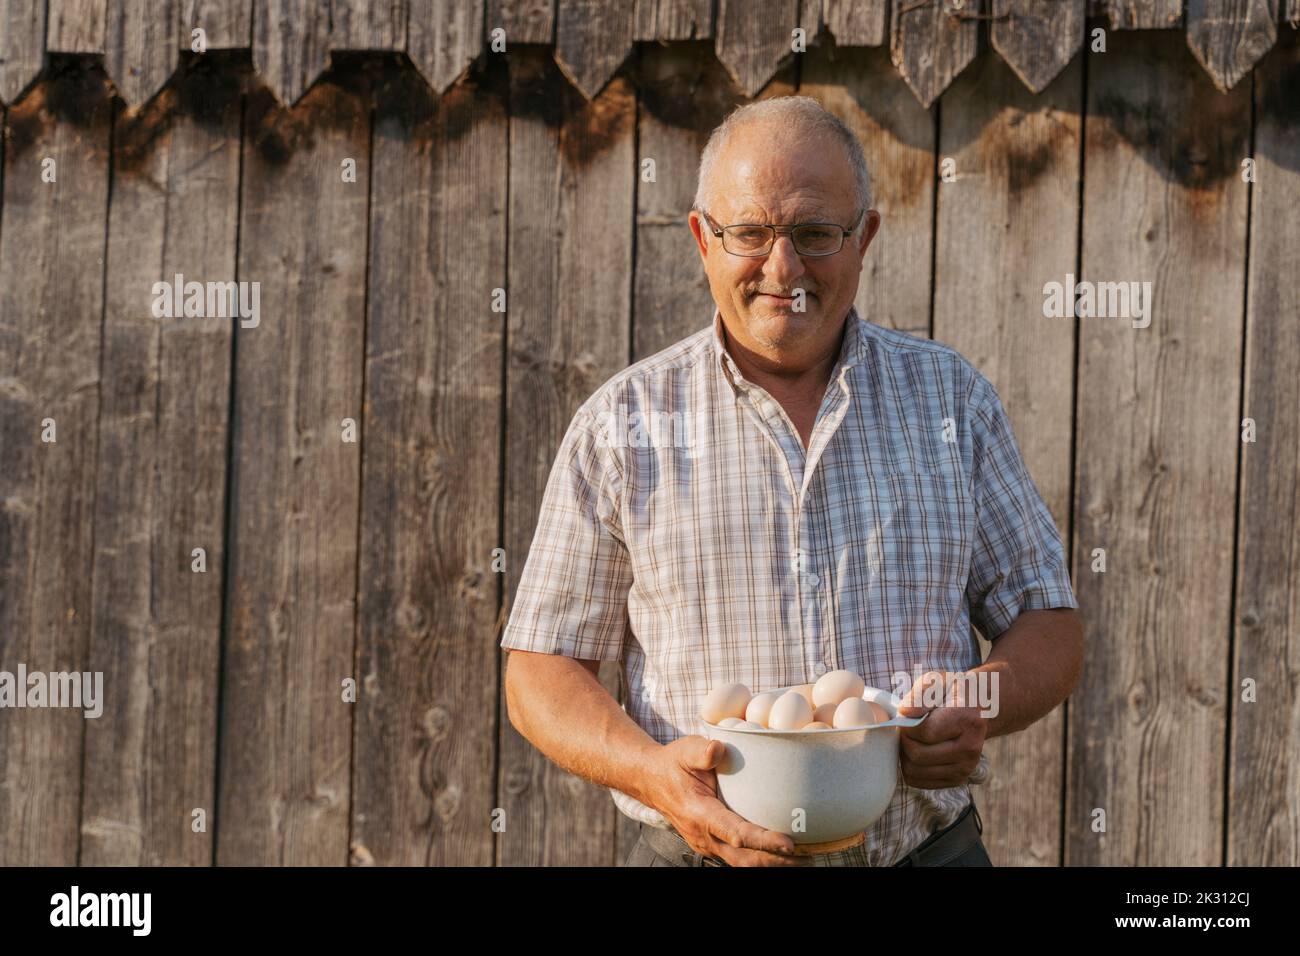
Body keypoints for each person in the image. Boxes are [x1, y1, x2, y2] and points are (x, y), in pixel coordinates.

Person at [500, 96, 1082, 867]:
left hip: (922, 854)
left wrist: (979, 703)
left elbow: (1050, 620)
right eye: (750, 233)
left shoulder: (950, 403)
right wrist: (655, 776)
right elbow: (541, 668)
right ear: (703, 238)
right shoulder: (625, 425)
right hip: (695, 855)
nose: (784, 269)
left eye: (815, 234)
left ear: (865, 237)